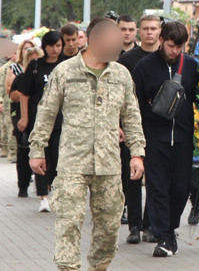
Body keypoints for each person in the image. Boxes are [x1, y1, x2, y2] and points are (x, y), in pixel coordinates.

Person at [29, 17, 146, 271]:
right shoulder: (65, 71)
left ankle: (98, 266)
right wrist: (37, 149)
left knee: (108, 227)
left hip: (109, 164)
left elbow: (131, 115)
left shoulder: (121, 74)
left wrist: (137, 153)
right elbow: (46, 111)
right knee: (69, 222)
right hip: (73, 162)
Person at [133, 21, 199, 258]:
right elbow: (136, 104)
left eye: (179, 47)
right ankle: (163, 236)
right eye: (171, 46)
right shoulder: (144, 67)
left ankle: (170, 228)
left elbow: (198, 100)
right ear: (161, 40)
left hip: (183, 137)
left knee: (180, 188)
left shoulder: (191, 66)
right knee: (158, 187)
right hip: (155, 137)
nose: (175, 51)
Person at [117, 14, 162, 244]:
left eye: (154, 28)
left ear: (159, 30)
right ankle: (134, 224)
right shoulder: (127, 60)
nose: (149, 32)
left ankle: (149, 224)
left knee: (155, 177)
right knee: (132, 176)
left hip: (156, 126)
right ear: (139, 31)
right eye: (145, 28)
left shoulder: (165, 58)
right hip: (131, 125)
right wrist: (118, 124)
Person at [18, 31, 64, 211]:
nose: (55, 49)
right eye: (52, 45)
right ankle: (43, 196)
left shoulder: (65, 66)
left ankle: (53, 189)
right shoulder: (36, 65)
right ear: (44, 46)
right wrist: (24, 117)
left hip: (61, 121)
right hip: (39, 121)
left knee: (56, 158)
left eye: (58, 45)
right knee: (39, 157)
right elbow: (24, 93)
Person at [7, 40, 42, 197]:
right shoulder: (21, 78)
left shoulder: (47, 78)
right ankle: (23, 185)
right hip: (23, 119)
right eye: (32, 60)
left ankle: (44, 186)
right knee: (24, 152)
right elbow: (13, 94)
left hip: (42, 119)